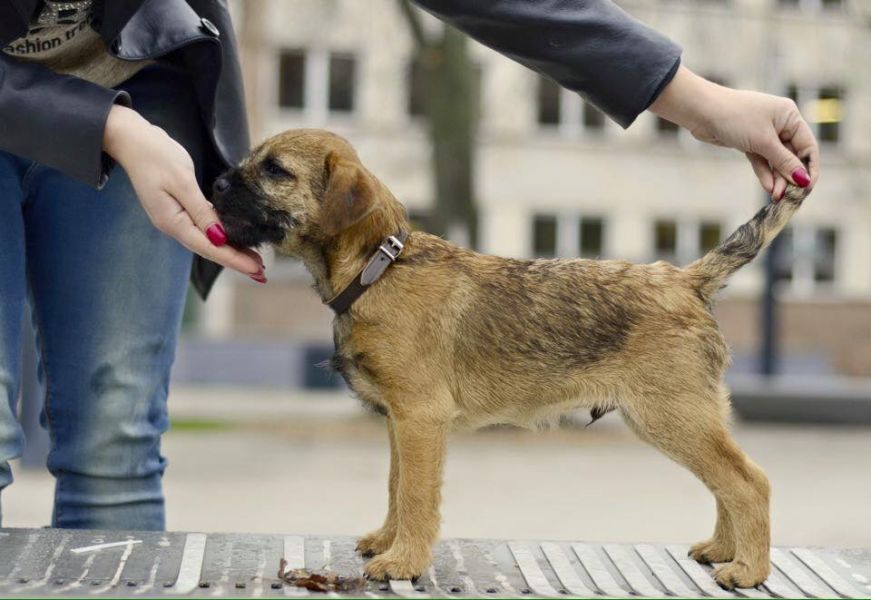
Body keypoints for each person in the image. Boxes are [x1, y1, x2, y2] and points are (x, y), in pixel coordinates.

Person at [0, 0, 818, 531]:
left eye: (274, 176)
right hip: (77, 118)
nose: (245, 186)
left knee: (117, 430)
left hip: (147, 94)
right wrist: (105, 128)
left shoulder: (388, 264)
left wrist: (692, 96)